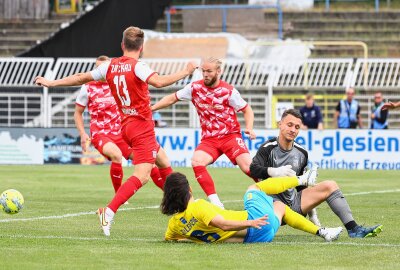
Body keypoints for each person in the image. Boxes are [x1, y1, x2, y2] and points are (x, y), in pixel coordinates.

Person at [35, 26, 197, 236]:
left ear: (122, 45)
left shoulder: (109, 66)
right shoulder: (138, 66)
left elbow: (81, 77)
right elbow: (158, 82)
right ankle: (109, 212)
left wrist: (51, 82)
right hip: (141, 126)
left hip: (126, 126)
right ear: (142, 47)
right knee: (143, 175)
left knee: (164, 162)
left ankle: (186, 204)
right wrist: (186, 71)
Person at [249, 109, 383, 238]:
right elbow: (253, 168)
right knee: (265, 230)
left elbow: (301, 186)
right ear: (280, 124)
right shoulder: (268, 148)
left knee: (330, 185)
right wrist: (274, 171)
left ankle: (354, 229)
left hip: (293, 205)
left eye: (297, 127)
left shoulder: (302, 153)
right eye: (289, 125)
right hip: (272, 206)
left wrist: (312, 214)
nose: (293, 130)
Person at [152, 57, 257, 209]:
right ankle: (216, 203)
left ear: (219, 72)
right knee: (197, 161)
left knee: (248, 167)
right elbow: (172, 99)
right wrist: (152, 108)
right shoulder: (194, 88)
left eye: (209, 71)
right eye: (203, 71)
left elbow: (247, 109)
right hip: (210, 139)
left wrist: (250, 127)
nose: (205, 74)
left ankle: (272, 192)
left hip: (230, 136)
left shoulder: (228, 91)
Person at [161, 172, 343, 243]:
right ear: (189, 189)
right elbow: (223, 224)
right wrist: (250, 222)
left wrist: (189, 239)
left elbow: (171, 239)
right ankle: (302, 179)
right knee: (253, 189)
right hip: (255, 223)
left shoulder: (174, 225)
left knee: (279, 206)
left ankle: (323, 232)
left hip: (262, 236)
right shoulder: (199, 206)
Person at [74, 55, 164, 192]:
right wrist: (82, 133)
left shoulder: (117, 83)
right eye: (98, 68)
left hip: (121, 133)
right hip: (101, 133)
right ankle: (119, 195)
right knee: (116, 155)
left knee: (149, 164)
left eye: (103, 67)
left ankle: (169, 194)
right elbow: (78, 113)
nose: (101, 70)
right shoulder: (87, 88)